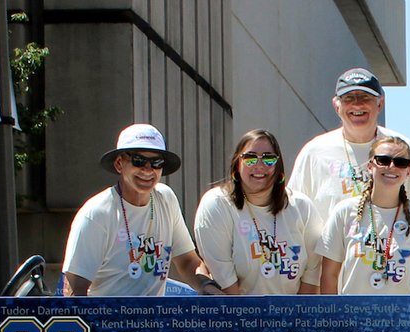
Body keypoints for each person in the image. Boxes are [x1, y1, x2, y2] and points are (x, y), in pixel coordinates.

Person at [63, 123, 217, 296]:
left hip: (153, 319)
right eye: (138, 161)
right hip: (109, 320)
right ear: (119, 164)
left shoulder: (166, 198)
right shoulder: (97, 214)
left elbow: (187, 261)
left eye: (156, 162)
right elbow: (73, 289)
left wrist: (207, 286)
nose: (147, 169)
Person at [287, 67, 410, 242]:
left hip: (392, 262)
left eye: (365, 97)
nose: (357, 104)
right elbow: (292, 215)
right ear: (336, 105)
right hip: (331, 265)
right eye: (349, 98)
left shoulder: (403, 150)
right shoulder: (314, 152)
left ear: (380, 103)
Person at [319, 132, 410, 295]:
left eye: (401, 162)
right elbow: (329, 274)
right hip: (352, 317)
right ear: (370, 166)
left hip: (404, 317)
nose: (391, 167)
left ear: (408, 171)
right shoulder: (344, 211)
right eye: (383, 160)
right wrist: (333, 317)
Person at [192, 128, 321, 295]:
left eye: (268, 159)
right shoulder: (217, 205)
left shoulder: (302, 207)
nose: (259, 166)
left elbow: (312, 278)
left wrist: (297, 318)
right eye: (250, 158)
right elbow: (227, 289)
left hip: (292, 316)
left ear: (279, 166)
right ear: (237, 165)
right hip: (237, 315)